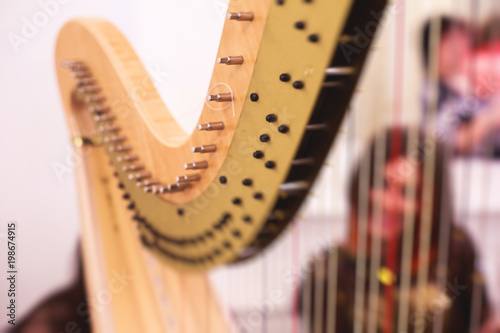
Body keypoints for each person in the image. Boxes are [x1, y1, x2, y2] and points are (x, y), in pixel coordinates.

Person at [300, 127, 492, 332]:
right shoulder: (328, 271)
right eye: (381, 183)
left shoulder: (453, 247)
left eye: (407, 193)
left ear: (431, 204)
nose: (389, 203)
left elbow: (483, 324)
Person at [422, 17, 500, 157]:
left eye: (464, 40)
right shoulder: (433, 90)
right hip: (463, 167)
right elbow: (448, 139)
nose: (462, 47)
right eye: (452, 42)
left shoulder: (474, 82)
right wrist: (490, 118)